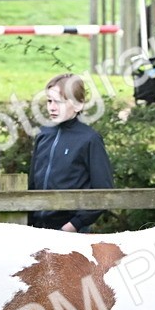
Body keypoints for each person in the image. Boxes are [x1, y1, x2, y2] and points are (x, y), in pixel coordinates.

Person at [28, 74, 114, 233]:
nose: (52, 107)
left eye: (58, 102)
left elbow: (104, 191)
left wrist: (73, 225)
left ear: (78, 105)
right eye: (49, 101)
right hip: (37, 229)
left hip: (72, 232)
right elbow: (32, 184)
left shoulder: (89, 139)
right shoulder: (43, 135)